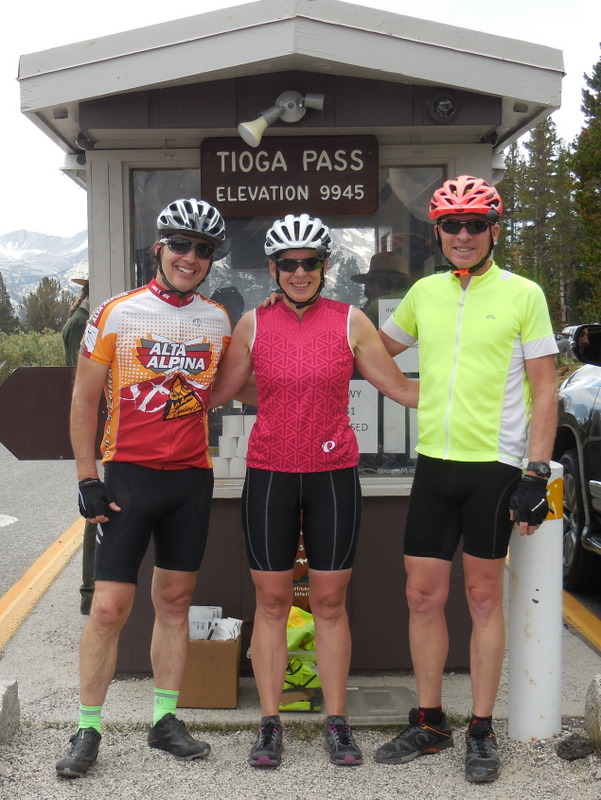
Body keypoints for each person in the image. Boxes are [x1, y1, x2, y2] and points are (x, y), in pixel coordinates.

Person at [210, 213, 418, 769]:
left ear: (325, 267)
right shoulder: (252, 324)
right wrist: (147, 387)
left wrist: (485, 393)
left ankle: (336, 722)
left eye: (310, 263)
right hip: (271, 474)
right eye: (288, 264)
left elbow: (398, 388)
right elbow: (218, 391)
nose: (299, 272)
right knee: (273, 603)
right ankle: (270, 723)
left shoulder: (351, 321)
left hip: (333, 477)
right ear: (274, 269)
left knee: (328, 603)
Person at [373, 176, 558, 783]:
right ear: (438, 233)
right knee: (421, 595)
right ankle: (430, 721)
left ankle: (480, 730)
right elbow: (374, 350)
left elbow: (544, 388)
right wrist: (403, 390)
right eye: (451, 225)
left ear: (493, 231)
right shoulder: (423, 293)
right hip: (435, 464)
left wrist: (537, 473)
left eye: (474, 224)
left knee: (481, 597)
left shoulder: (524, 293)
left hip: (496, 468)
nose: (462, 235)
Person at [56, 198, 232, 778]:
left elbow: (222, 389)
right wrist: (87, 477)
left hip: (190, 478)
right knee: (109, 608)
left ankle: (164, 720)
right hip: (127, 474)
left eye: (203, 249)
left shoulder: (217, 319)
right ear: (159, 248)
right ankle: (87, 728)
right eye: (181, 244)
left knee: (175, 602)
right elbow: (84, 400)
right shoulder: (115, 313)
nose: (191, 257)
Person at [62, 276, 96, 615]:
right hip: (94, 415)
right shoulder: (81, 324)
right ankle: (90, 592)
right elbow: (80, 378)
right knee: (96, 508)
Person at [351, 250, 411, 327]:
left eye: (402, 287)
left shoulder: (416, 312)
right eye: (385, 284)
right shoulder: (360, 317)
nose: (394, 292)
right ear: (369, 285)